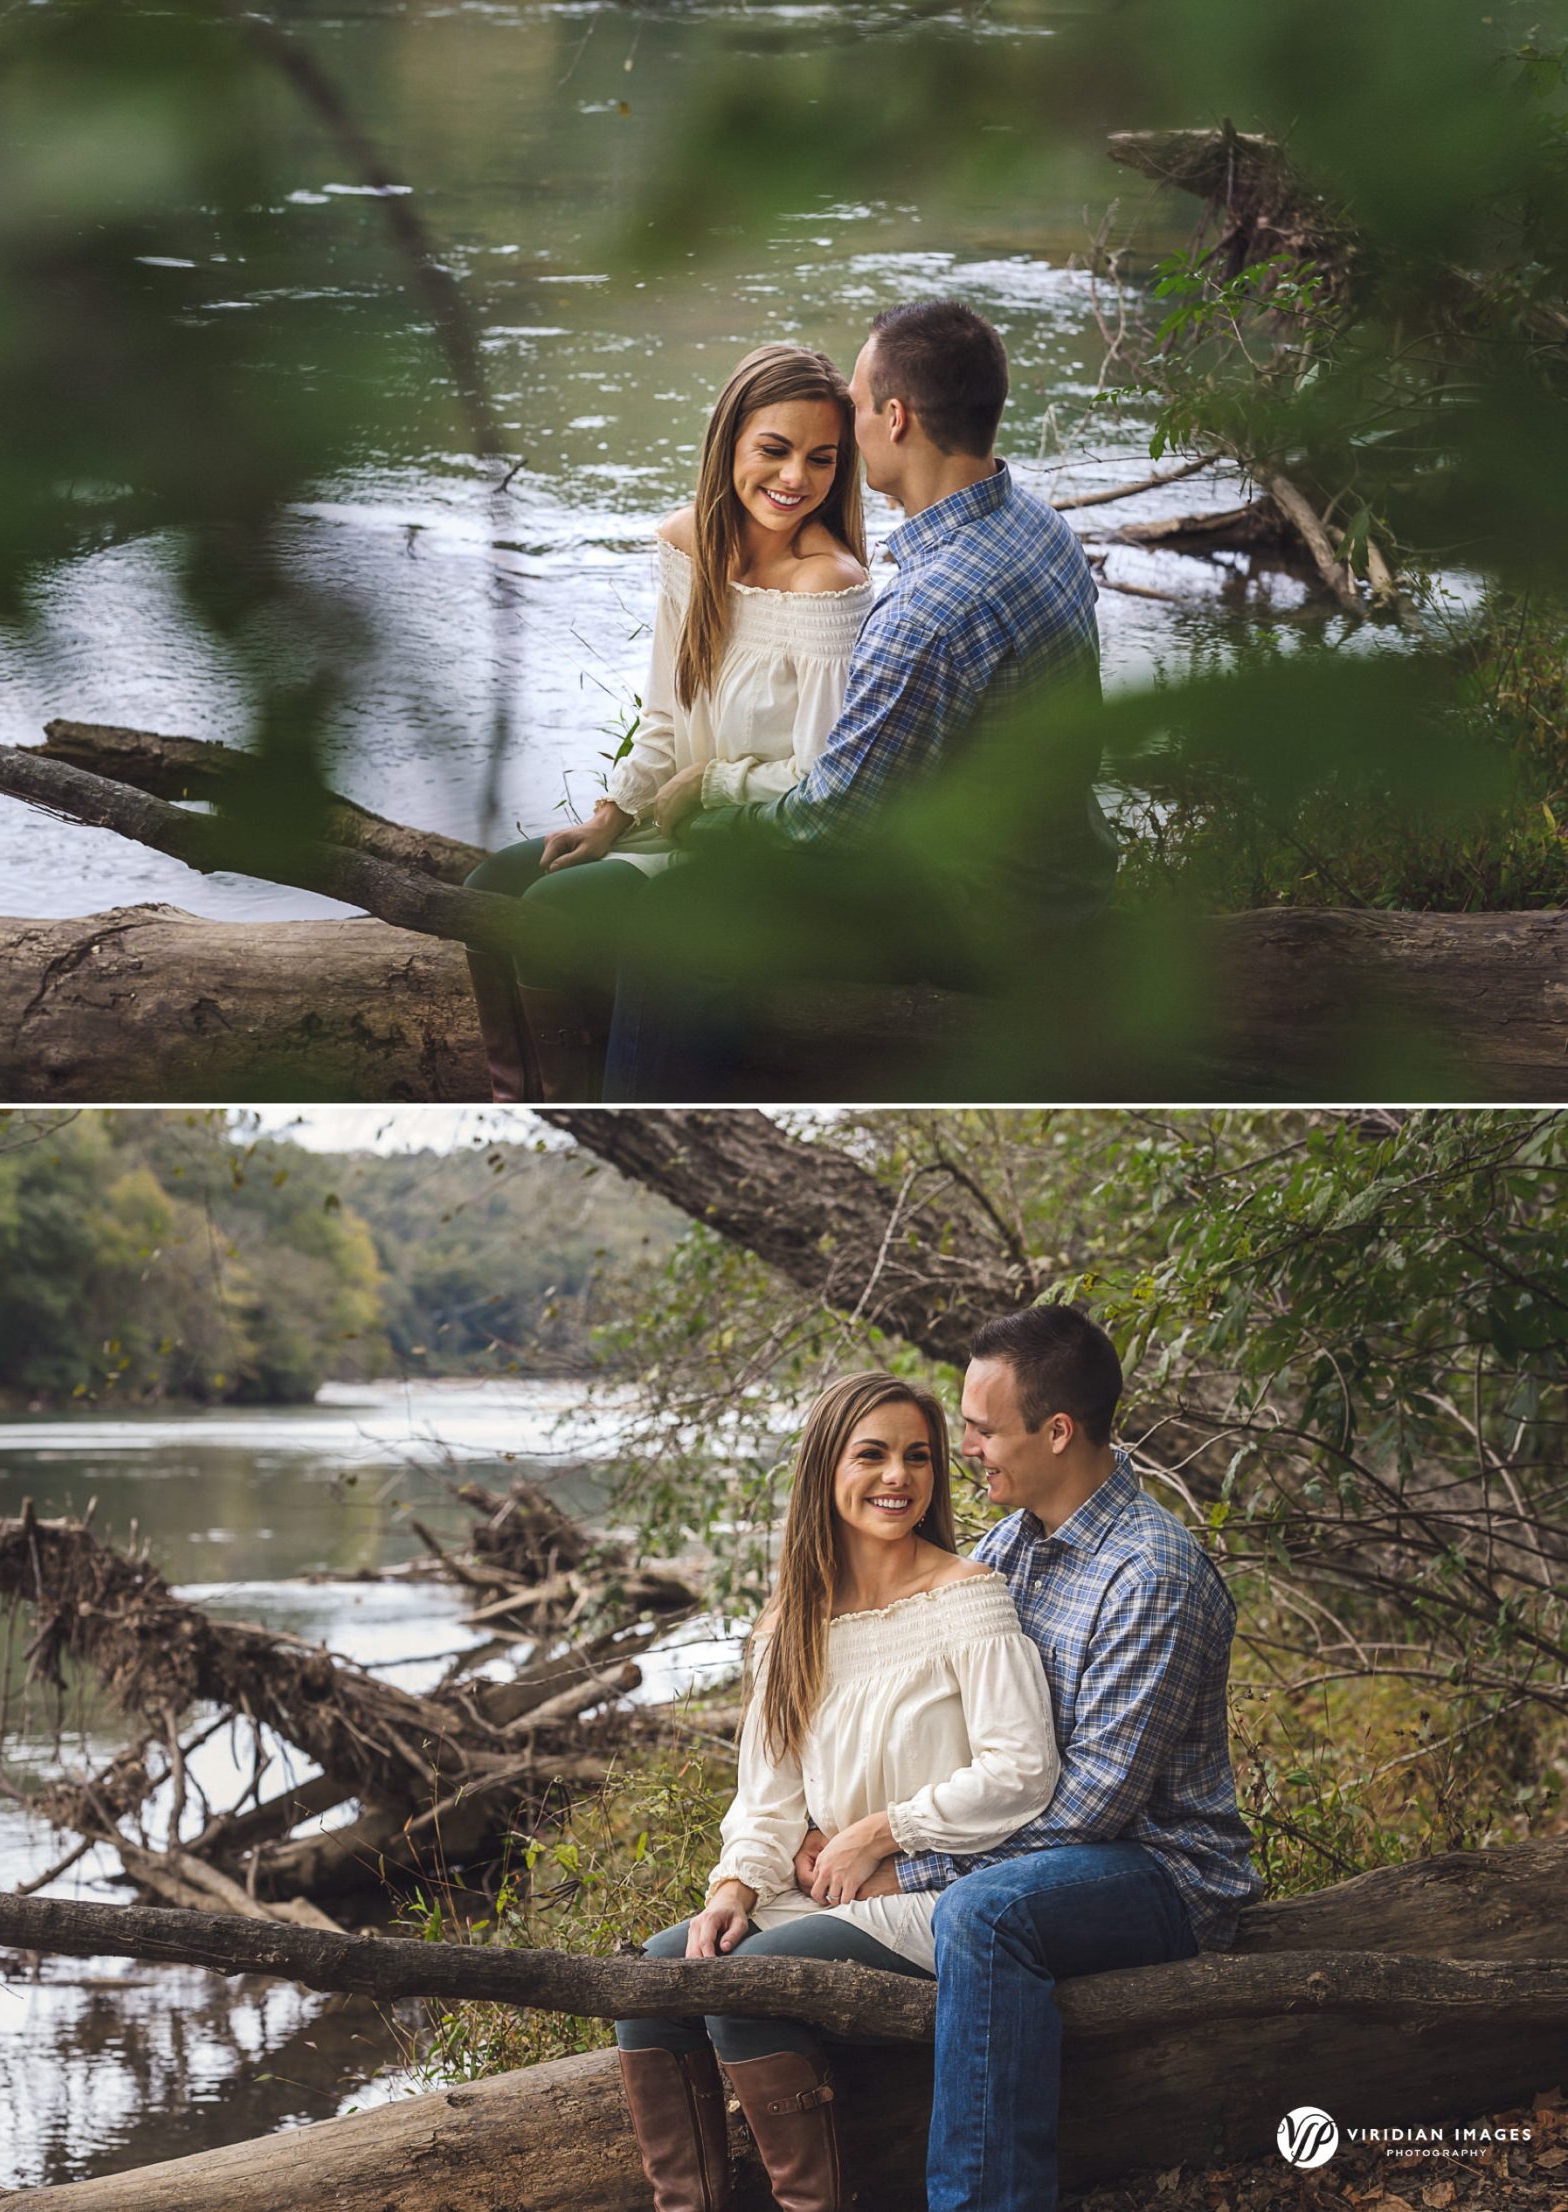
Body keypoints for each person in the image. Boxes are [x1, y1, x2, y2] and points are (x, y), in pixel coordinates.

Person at [602, 297, 1119, 1102]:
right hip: (1064, 882)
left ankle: (660, 1102)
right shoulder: (1038, 526)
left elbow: (828, 827)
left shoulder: (925, 610)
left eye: (853, 400)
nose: (843, 419)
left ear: (897, 418)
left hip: (977, 922)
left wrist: (713, 790)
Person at [805, 1306, 1261, 2212]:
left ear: (1057, 1431)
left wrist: (911, 1863)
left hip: (1162, 1870)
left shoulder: (1150, 1572)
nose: (965, 1447)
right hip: (1044, 1849)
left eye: (980, 1429)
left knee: (983, 1915)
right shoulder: (1012, 1546)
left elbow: (1097, 1804)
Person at [613, 1369, 1058, 2212]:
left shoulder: (968, 1597)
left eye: (919, 1457)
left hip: (942, 1896)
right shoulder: (789, 1626)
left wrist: (882, 1831)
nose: (900, 1476)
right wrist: (734, 1887)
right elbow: (768, 1796)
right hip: (827, 1890)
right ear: (826, 1468)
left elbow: (1021, 1770)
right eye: (874, 1454)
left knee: (752, 1983)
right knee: (656, 1978)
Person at [461, 343, 872, 1101]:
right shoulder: (687, 543)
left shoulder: (828, 585)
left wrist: (711, 785)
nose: (796, 480)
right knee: (487, 890)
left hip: (756, 843)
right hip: (674, 818)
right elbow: (662, 712)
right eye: (775, 451)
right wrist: (613, 816)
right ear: (729, 442)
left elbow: (827, 776)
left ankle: (588, 1094)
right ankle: (524, 1093)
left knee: (552, 912)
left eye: (822, 459)